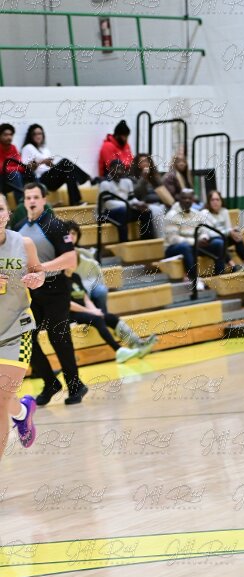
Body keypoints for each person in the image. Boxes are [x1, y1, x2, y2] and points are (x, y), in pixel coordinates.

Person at [13, 181, 88, 405]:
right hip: (32, 292)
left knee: (59, 337)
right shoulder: (19, 227)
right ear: (24, 201)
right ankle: (50, 382)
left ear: (44, 200)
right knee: (24, 336)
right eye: (28, 198)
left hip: (56, 289)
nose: (32, 201)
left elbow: (70, 259)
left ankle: (75, 385)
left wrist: (41, 269)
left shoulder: (55, 225)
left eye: (36, 197)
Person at [65, 221, 157, 364]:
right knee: (98, 319)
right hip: (70, 313)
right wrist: (92, 312)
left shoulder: (76, 276)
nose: (73, 263)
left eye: (75, 261)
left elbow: (85, 298)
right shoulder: (59, 278)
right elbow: (66, 303)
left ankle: (137, 343)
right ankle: (119, 351)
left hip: (84, 310)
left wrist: (95, 311)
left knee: (110, 317)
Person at [0, 192, 46, 460]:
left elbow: (38, 271)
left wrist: (38, 278)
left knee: (0, 400)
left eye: (0, 209)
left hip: (16, 330)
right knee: (5, 399)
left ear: (8, 213)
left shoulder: (23, 243)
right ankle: (22, 413)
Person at [20, 124, 93, 206]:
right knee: (65, 161)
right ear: (30, 136)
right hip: (40, 179)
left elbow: (50, 167)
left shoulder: (45, 149)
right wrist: (42, 162)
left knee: (69, 171)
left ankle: (75, 201)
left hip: (50, 179)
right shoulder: (28, 148)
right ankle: (86, 178)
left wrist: (51, 165)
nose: (38, 136)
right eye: (35, 134)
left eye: (40, 133)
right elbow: (27, 169)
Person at [163, 189, 226, 283]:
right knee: (185, 246)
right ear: (179, 199)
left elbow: (203, 230)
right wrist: (195, 242)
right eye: (184, 198)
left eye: (189, 198)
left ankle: (219, 277)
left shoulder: (196, 213)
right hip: (173, 249)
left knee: (218, 243)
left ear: (193, 200)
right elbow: (173, 239)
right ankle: (194, 279)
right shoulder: (171, 215)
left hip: (194, 245)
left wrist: (203, 238)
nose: (187, 200)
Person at [98, 159, 154, 245]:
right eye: (116, 169)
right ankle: (124, 243)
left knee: (146, 211)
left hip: (126, 210)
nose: (119, 171)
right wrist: (130, 204)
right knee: (122, 211)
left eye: (121, 169)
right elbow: (108, 204)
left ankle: (147, 241)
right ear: (110, 170)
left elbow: (132, 199)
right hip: (107, 214)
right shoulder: (105, 183)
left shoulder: (127, 182)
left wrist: (139, 204)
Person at [203, 190, 244, 271]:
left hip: (223, 237)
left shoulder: (224, 211)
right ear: (209, 202)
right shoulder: (205, 213)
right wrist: (228, 231)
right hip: (212, 241)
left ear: (221, 201)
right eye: (212, 200)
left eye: (217, 199)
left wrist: (233, 230)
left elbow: (228, 228)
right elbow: (210, 233)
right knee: (220, 241)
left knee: (236, 234)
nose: (215, 202)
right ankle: (233, 266)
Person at [130, 153, 173, 238]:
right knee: (158, 210)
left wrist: (155, 177)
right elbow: (136, 193)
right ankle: (161, 238)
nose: (145, 163)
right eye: (142, 162)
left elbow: (162, 191)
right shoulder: (133, 178)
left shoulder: (154, 176)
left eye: (147, 161)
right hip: (145, 204)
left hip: (159, 203)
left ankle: (172, 236)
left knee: (172, 209)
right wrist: (143, 178)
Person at [0, 124, 26, 204]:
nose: (9, 137)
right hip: (2, 179)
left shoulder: (13, 147)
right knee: (15, 174)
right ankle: (21, 204)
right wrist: (13, 168)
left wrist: (8, 168)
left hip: (11, 178)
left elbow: (21, 166)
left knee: (29, 174)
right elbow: (1, 169)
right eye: (5, 135)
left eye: (11, 135)